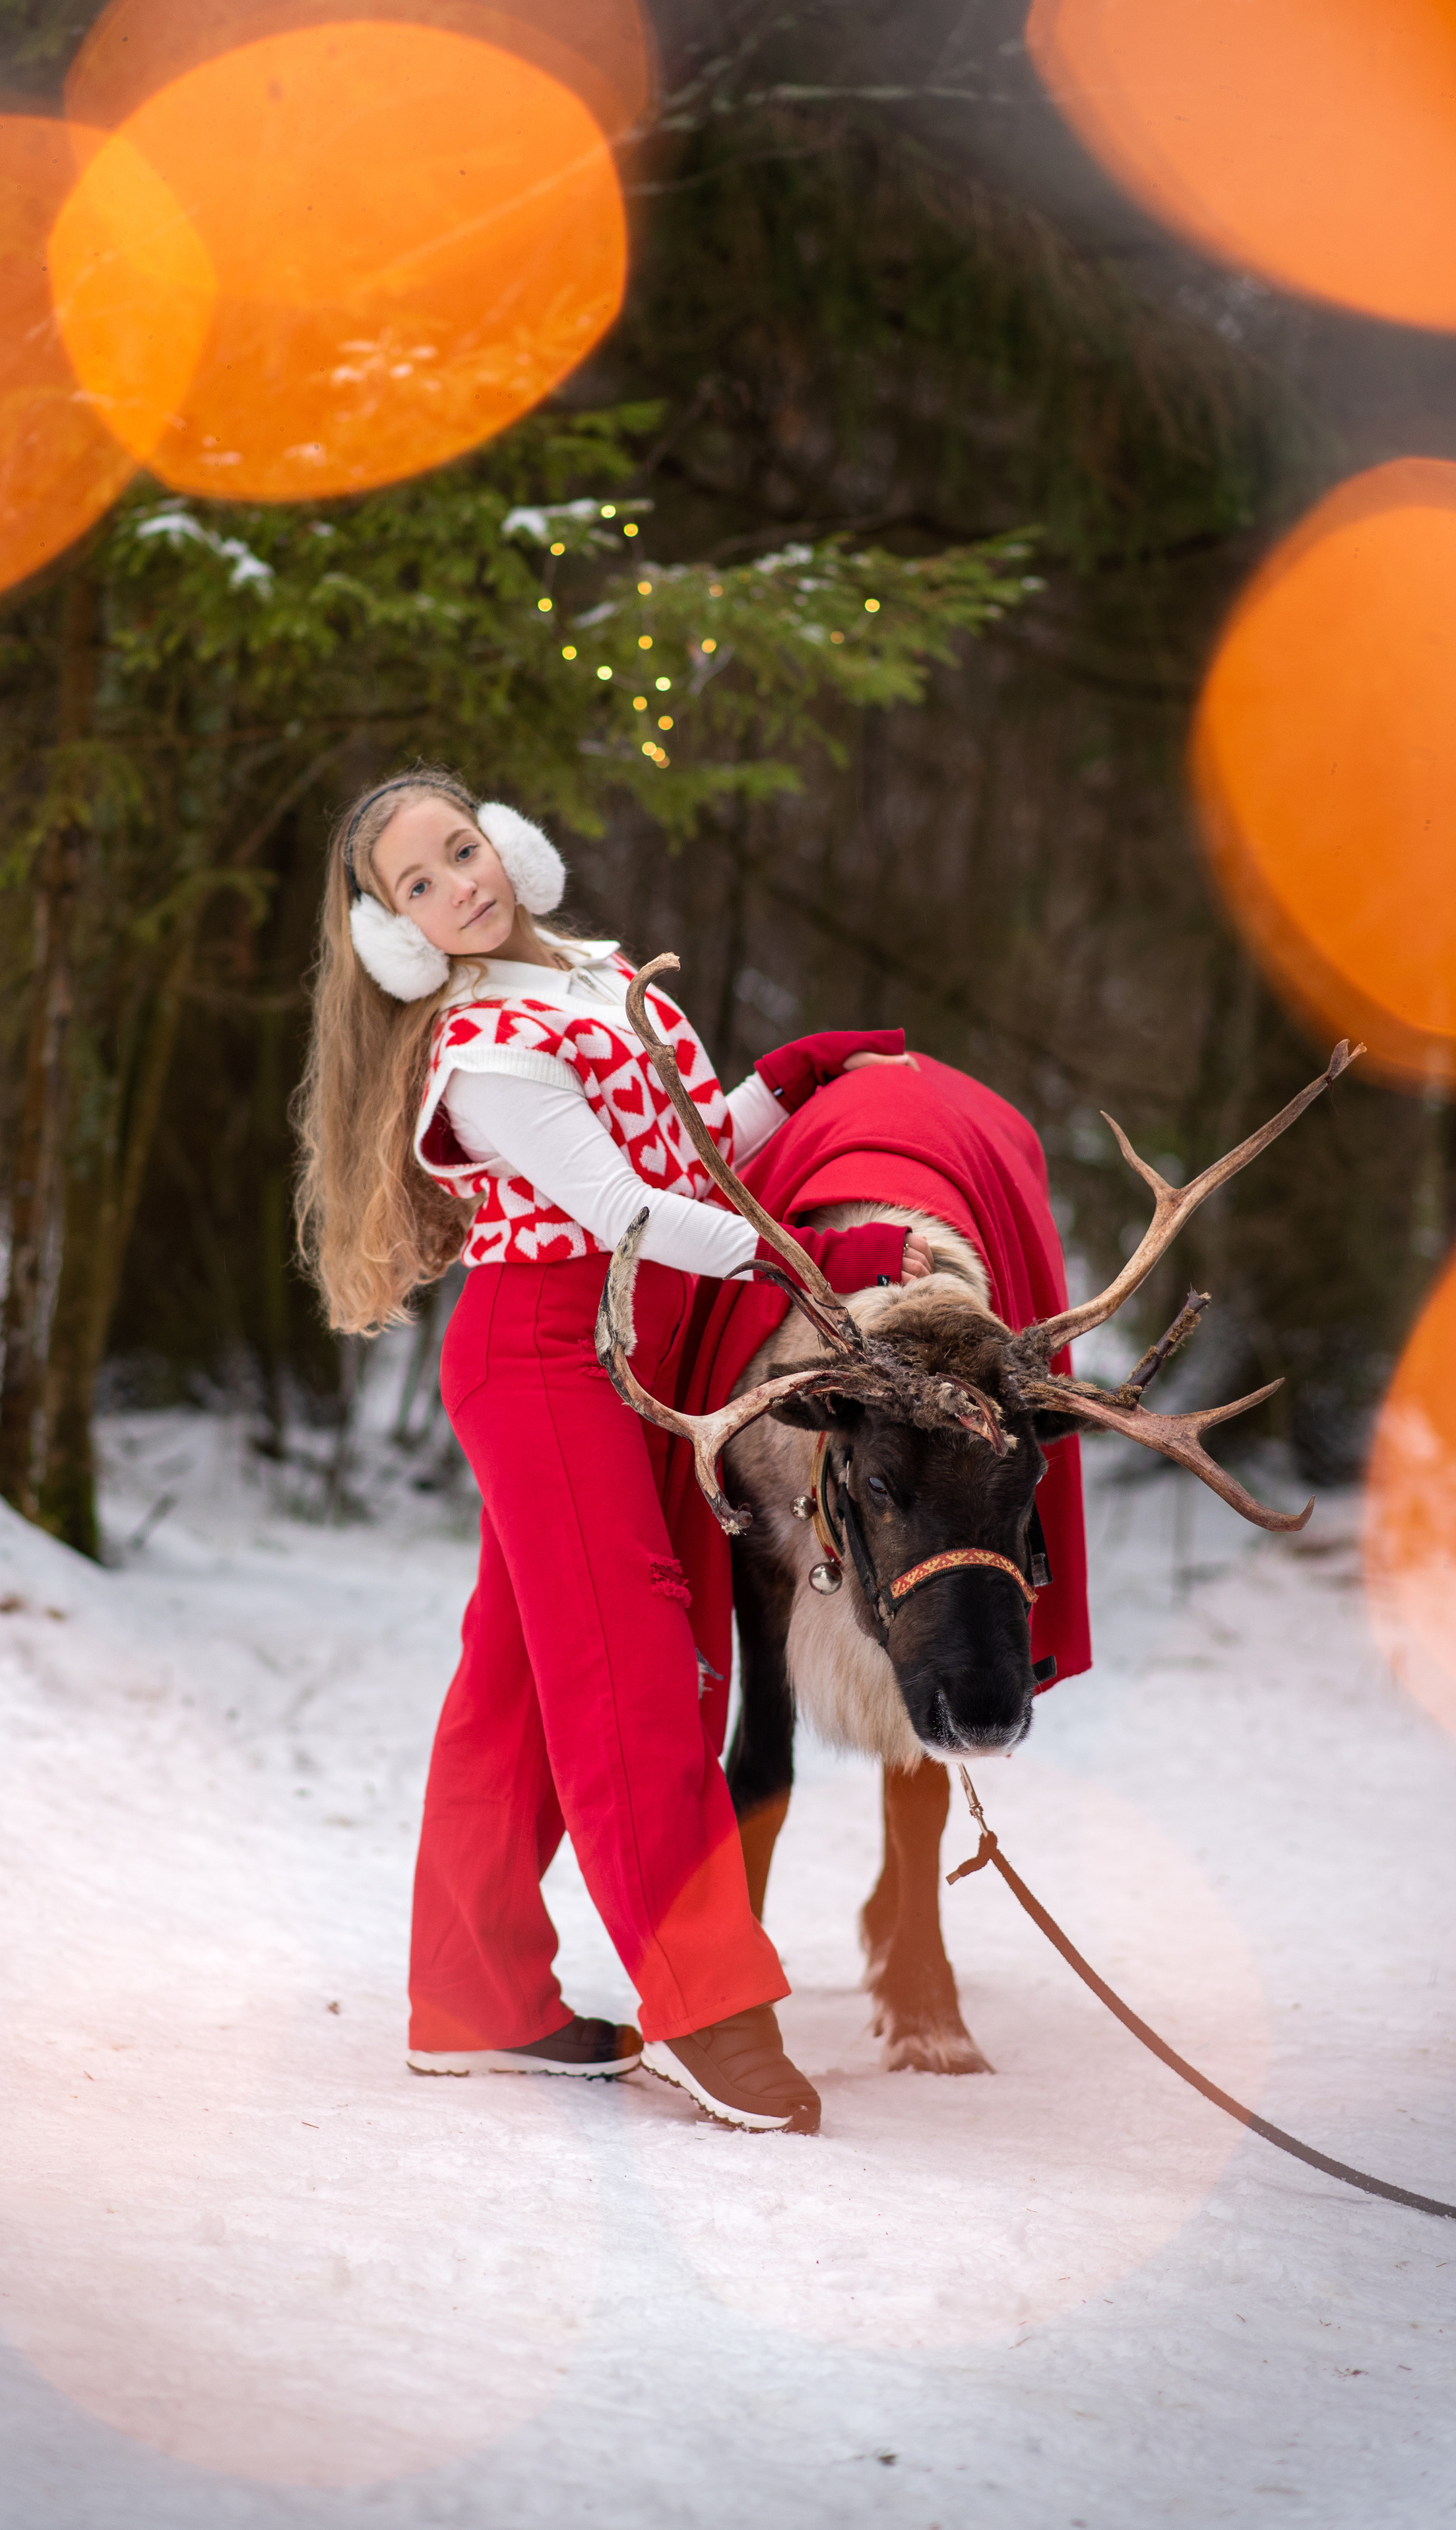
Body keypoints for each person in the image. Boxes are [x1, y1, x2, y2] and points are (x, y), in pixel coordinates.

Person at [294, 766, 928, 2133]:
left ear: (503, 844)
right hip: (548, 1355)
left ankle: (474, 1996)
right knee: (634, 1671)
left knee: (521, 1681)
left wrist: (786, 1077)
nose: (459, 884)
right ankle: (705, 2005)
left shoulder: (584, 972)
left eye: (462, 849)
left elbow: (692, 1160)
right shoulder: (483, 1048)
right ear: (396, 933)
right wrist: (818, 1264)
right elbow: (628, 1210)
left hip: (637, 1353)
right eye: (419, 885)